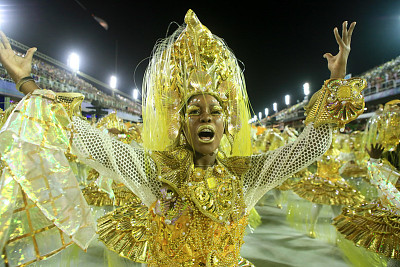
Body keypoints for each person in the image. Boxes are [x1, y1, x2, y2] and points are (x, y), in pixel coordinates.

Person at [0, 9, 365, 266]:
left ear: (227, 125)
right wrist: (25, 82)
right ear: (182, 124)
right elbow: (79, 136)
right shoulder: (153, 170)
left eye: (215, 111)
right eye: (194, 110)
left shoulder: (246, 175)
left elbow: (310, 146)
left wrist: (336, 81)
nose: (206, 115)